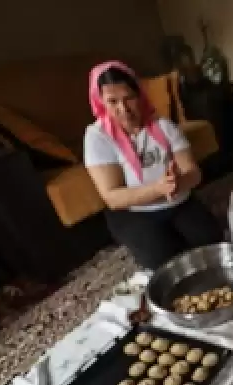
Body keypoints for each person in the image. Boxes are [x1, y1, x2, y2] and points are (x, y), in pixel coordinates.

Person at [84, 61, 222, 270]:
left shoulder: (163, 125)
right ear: (100, 101)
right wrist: (158, 188)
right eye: (112, 101)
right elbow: (112, 197)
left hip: (178, 202)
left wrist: (178, 182)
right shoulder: (97, 137)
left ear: (139, 95)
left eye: (129, 98)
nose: (123, 109)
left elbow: (194, 173)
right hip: (132, 211)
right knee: (164, 262)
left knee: (213, 241)